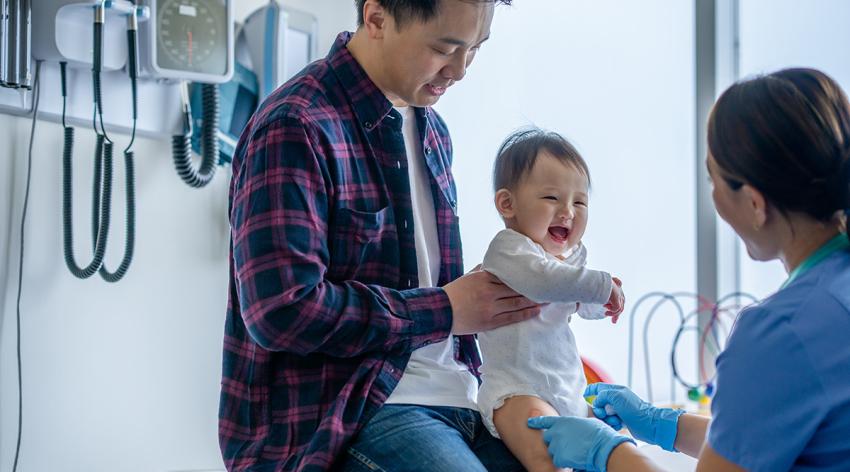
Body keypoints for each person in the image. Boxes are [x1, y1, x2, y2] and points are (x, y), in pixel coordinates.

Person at [219, 1, 542, 470]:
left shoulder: (432, 130)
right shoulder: (295, 124)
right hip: (350, 414)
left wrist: (491, 296)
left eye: (475, 49)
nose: (460, 70)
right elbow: (282, 310)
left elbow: (427, 289)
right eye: (444, 48)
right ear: (376, 18)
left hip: (463, 397)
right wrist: (445, 308)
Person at [527, 67, 850, 472]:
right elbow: (762, 434)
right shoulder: (831, 296)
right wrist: (665, 424)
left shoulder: (781, 334)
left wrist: (608, 453)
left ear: (755, 203)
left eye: (713, 179)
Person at [474, 128, 625, 471]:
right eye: (551, 198)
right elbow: (544, 282)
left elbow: (579, 303)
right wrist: (600, 286)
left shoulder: (569, 258)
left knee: (607, 449)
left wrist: (602, 302)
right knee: (546, 456)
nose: (568, 212)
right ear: (508, 204)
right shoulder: (509, 250)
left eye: (579, 202)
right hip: (517, 391)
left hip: (568, 388)